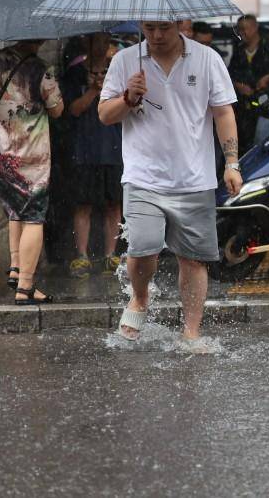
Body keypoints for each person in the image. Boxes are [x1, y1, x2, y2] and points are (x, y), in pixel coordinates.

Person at [99, 21, 242, 349]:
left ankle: (190, 331)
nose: (156, 36)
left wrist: (231, 163)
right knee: (143, 247)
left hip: (195, 178)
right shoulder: (125, 61)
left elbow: (223, 112)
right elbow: (105, 115)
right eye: (149, 28)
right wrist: (128, 97)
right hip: (142, 176)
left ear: (179, 24)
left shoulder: (207, 59)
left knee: (193, 259)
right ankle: (139, 297)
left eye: (163, 28)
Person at [0, 39, 64, 304]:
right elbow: (57, 109)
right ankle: (25, 286)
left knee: (14, 208)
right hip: (29, 158)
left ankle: (17, 269)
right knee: (34, 216)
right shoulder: (40, 69)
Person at [61, 32, 123, 278]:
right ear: (87, 42)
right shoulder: (75, 73)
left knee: (113, 204)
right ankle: (82, 256)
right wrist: (92, 91)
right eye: (97, 40)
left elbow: (127, 105)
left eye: (106, 40)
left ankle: (110, 254)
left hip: (113, 147)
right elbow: (73, 110)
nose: (102, 45)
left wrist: (108, 88)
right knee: (83, 204)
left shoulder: (118, 70)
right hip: (84, 148)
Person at [228, 13, 269, 152]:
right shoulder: (238, 50)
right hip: (243, 108)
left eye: (246, 28)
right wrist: (238, 85)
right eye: (240, 29)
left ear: (255, 27)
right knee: (243, 146)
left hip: (265, 107)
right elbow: (228, 75)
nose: (243, 32)